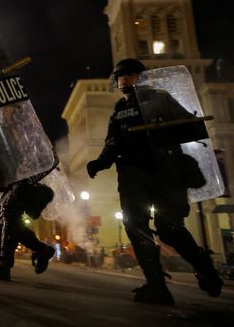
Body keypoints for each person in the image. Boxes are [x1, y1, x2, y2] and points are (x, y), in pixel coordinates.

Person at [87, 58, 224, 305]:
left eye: (128, 75)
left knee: (169, 228)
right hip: (131, 178)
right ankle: (156, 286)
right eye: (119, 77)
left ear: (141, 77)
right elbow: (112, 143)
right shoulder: (119, 110)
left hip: (165, 173)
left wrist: (162, 128)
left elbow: (189, 127)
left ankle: (206, 269)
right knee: (135, 227)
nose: (123, 81)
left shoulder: (159, 99)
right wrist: (99, 162)